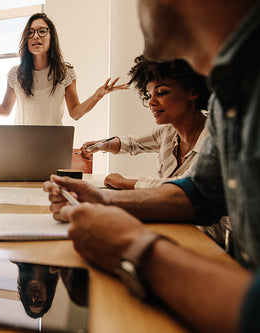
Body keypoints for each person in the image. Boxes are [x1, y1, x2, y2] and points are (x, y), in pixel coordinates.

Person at [43, 0, 260, 332]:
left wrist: (133, 248)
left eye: (162, 92)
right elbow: (201, 192)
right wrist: (103, 200)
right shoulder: (226, 95)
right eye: (150, 94)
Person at [0, 13, 128, 125]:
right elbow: (4, 110)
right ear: (26, 39)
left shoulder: (65, 73)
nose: (36, 36)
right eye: (31, 32)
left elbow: (75, 113)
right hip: (21, 144)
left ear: (51, 36)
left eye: (42, 31)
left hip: (54, 144)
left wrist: (98, 95)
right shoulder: (15, 74)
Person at [80, 56, 210, 190]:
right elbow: (133, 144)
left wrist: (124, 183)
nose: (151, 102)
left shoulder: (214, 136)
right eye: (149, 95)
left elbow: (186, 186)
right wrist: (101, 145)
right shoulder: (168, 131)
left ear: (193, 92)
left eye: (161, 93)